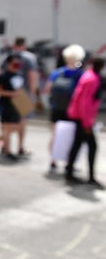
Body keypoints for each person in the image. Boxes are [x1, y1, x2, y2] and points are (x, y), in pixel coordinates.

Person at [44, 44, 85, 172]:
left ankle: (53, 161)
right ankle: (69, 162)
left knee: (55, 135)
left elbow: (46, 90)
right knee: (70, 136)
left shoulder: (57, 72)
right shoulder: (81, 74)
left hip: (56, 109)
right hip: (72, 110)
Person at [65, 56, 104, 187]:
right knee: (92, 146)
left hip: (80, 117)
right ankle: (90, 177)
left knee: (77, 145)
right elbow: (85, 103)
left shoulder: (88, 75)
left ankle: (69, 172)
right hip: (83, 119)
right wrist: (87, 123)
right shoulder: (92, 79)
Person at [3, 37, 39, 156]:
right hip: (22, 93)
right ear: (24, 45)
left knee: (7, 122)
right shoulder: (29, 58)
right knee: (22, 121)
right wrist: (33, 94)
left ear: (15, 45)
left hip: (8, 94)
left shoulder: (8, 57)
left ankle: (5, 145)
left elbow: (1, 74)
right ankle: (20, 147)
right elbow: (32, 76)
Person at [0, 54, 25, 160]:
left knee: (16, 127)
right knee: (6, 128)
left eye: (18, 64)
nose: (16, 65)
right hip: (5, 104)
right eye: (14, 63)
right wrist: (11, 94)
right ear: (9, 64)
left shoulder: (19, 76)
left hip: (17, 104)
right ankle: (7, 151)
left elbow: (20, 90)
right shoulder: (3, 76)